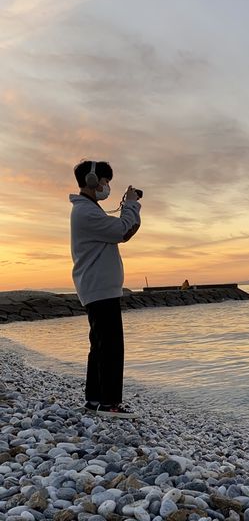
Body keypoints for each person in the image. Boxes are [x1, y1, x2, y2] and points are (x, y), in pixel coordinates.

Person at [69, 160, 141, 418]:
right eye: (105, 182)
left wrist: (130, 209)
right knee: (110, 347)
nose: (107, 187)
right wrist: (131, 204)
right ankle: (110, 403)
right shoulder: (86, 213)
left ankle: (94, 400)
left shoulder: (88, 210)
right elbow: (123, 230)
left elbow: (121, 231)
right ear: (91, 181)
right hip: (100, 288)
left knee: (100, 346)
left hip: (97, 287)